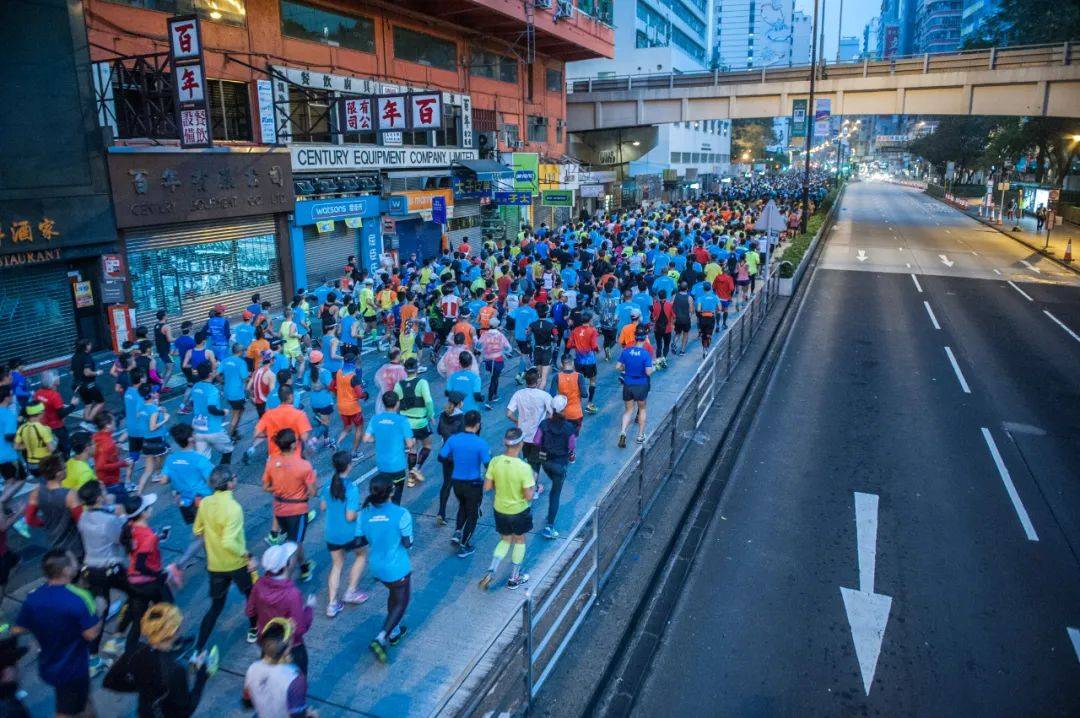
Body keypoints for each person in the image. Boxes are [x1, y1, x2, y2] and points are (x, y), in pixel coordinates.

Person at [14, 549, 101, 717]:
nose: (77, 563)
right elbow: (91, 634)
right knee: (65, 710)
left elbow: (20, 628)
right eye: (73, 561)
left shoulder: (34, 597)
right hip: (72, 668)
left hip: (49, 664)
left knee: (82, 701)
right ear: (66, 570)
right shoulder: (80, 597)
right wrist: (100, 611)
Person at [192, 466, 259, 658]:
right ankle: (253, 630)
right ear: (229, 484)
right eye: (234, 477)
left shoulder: (205, 503)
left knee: (215, 607)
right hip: (237, 564)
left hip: (215, 565)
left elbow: (197, 530)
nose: (236, 478)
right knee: (251, 596)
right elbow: (229, 541)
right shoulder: (234, 508)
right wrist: (248, 555)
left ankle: (198, 649)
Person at [117, 603, 213, 718]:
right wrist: (201, 677)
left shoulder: (137, 652)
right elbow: (186, 710)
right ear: (175, 631)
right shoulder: (175, 669)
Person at [357, 475, 413, 663]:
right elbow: (408, 543)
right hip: (397, 568)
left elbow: (360, 540)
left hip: (376, 567)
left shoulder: (363, 514)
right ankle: (381, 637)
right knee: (401, 602)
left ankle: (395, 631)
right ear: (392, 491)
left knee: (393, 595)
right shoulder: (401, 514)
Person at [75, 480, 129, 674]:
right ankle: (118, 637)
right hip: (110, 567)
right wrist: (122, 517)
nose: (107, 492)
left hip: (91, 569)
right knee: (135, 594)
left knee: (100, 610)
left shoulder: (83, 517)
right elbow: (121, 539)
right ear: (99, 497)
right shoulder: (109, 520)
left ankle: (92, 657)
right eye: (104, 490)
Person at [479, 428, 535, 591]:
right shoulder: (524, 467)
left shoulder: (495, 461)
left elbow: (487, 487)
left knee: (505, 540)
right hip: (518, 511)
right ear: (521, 444)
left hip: (500, 509)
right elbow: (528, 496)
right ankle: (514, 578)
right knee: (519, 540)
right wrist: (533, 489)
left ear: (505, 443)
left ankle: (492, 570)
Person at [246, 543, 315, 675]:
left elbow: (250, 611)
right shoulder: (292, 594)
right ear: (286, 565)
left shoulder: (258, 585)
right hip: (291, 647)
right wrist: (309, 608)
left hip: (267, 644)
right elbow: (299, 629)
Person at [160, 423, 214, 584]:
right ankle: (179, 565)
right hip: (202, 501)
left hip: (184, 502)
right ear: (190, 439)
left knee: (200, 532)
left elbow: (163, 480)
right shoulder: (199, 459)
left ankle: (210, 560)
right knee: (202, 536)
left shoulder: (171, 459)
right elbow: (212, 480)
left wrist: (177, 484)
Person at [261, 429, 317, 581]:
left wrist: (280, 488)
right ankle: (283, 582)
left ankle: (305, 567)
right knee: (293, 545)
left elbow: (265, 487)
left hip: (279, 510)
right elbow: (313, 492)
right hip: (297, 511)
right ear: (293, 445)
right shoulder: (304, 465)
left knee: (294, 541)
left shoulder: (271, 462)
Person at [321, 451, 368, 618]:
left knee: (337, 564)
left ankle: (332, 604)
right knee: (362, 555)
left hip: (331, 532)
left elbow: (323, 507)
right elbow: (350, 516)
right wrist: (361, 512)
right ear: (349, 465)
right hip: (350, 533)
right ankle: (351, 591)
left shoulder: (327, 485)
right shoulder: (352, 487)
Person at [437, 410, 490, 558]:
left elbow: (441, 457)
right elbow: (488, 464)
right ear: (478, 425)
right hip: (473, 484)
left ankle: (458, 531)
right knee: (473, 515)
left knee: (462, 506)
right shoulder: (481, 443)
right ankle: (464, 545)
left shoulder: (453, 440)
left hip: (457, 483)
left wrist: (457, 460)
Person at [243, 619, 312, 718]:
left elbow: (247, 703)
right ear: (286, 651)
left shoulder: (252, 668)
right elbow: (298, 715)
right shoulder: (295, 679)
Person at [534, 396, 577, 539]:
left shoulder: (544, 424)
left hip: (546, 462)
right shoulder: (569, 427)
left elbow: (536, 441)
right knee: (555, 494)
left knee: (554, 482)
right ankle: (549, 525)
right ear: (564, 410)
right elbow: (571, 446)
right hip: (560, 465)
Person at [24, 454, 82, 558]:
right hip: (75, 545)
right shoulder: (70, 495)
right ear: (58, 474)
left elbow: (29, 519)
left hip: (53, 543)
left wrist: (44, 523)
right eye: (64, 467)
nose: (66, 469)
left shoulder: (35, 493)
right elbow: (81, 521)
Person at [364, 392, 416, 505]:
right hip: (397, 466)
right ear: (397, 403)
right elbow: (410, 444)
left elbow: (366, 438)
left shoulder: (375, 419)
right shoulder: (402, 421)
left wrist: (378, 438)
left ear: (383, 403)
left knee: (384, 497)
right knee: (396, 499)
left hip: (382, 465)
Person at [394, 358, 435, 487]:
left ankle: (411, 479)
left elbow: (396, 404)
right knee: (427, 446)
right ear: (417, 369)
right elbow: (428, 401)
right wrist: (431, 415)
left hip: (406, 424)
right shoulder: (422, 382)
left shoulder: (398, 385)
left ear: (405, 370)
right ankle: (416, 468)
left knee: (412, 450)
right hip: (420, 422)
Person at [506, 368, 553, 481]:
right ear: (537, 381)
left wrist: (517, 421)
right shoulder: (544, 395)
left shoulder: (518, 394)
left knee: (528, 459)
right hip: (538, 436)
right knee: (536, 463)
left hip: (523, 435)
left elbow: (509, 414)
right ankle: (534, 488)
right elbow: (552, 414)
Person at [616, 327, 655, 448]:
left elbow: (618, 367)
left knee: (628, 410)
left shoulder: (627, 351)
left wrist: (625, 369)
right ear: (645, 338)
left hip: (628, 384)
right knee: (642, 409)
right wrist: (654, 367)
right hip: (641, 385)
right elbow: (648, 372)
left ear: (635, 337)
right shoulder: (645, 354)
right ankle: (640, 435)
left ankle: (623, 432)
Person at [190, 363, 234, 464]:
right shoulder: (212, 390)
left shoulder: (195, 386)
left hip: (198, 430)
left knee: (203, 460)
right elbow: (212, 409)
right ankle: (223, 476)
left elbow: (193, 403)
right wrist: (223, 412)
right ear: (210, 374)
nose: (216, 371)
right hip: (213, 429)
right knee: (228, 450)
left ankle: (206, 477)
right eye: (214, 370)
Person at [330, 350, 367, 459]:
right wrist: (366, 394)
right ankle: (354, 453)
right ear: (353, 363)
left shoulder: (339, 373)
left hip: (341, 406)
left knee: (347, 427)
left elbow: (332, 387)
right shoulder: (353, 377)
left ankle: (337, 443)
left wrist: (338, 395)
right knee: (359, 428)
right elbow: (360, 394)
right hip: (353, 408)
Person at [435, 392, 465, 526]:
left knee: (446, 484)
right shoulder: (462, 417)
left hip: (446, 454)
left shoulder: (443, 415)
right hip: (458, 455)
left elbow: (439, 431)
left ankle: (441, 512)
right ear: (459, 403)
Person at [14, 401, 56, 478]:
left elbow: (16, 447)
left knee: (41, 483)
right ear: (40, 413)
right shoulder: (44, 429)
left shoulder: (22, 428)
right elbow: (52, 449)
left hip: (31, 465)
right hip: (44, 463)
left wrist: (30, 444)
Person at [71, 339, 105, 431]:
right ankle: (89, 421)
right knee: (100, 402)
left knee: (88, 403)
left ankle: (85, 423)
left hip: (78, 385)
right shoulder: (86, 357)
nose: (91, 346)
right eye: (89, 344)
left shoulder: (74, 357)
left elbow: (72, 371)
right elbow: (87, 372)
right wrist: (97, 372)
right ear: (86, 346)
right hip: (89, 385)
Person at [477, 318, 512, 408]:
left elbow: (478, 346)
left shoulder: (485, 334)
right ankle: (490, 398)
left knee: (494, 377)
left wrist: (485, 351)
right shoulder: (500, 335)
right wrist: (502, 351)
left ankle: (495, 394)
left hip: (488, 360)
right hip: (497, 360)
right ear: (497, 326)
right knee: (494, 378)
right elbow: (508, 348)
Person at [219, 343, 249, 441]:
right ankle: (229, 437)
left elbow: (216, 373)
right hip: (237, 393)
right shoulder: (241, 362)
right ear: (240, 352)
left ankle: (234, 431)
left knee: (240, 410)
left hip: (227, 392)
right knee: (236, 414)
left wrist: (222, 382)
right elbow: (245, 379)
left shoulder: (225, 361)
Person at [695, 282, 720, 355]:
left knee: (703, 334)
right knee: (709, 333)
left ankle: (704, 349)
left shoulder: (700, 298)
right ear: (711, 288)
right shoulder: (715, 297)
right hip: (711, 317)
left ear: (703, 289)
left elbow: (699, 309)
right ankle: (708, 340)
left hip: (703, 318)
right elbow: (720, 308)